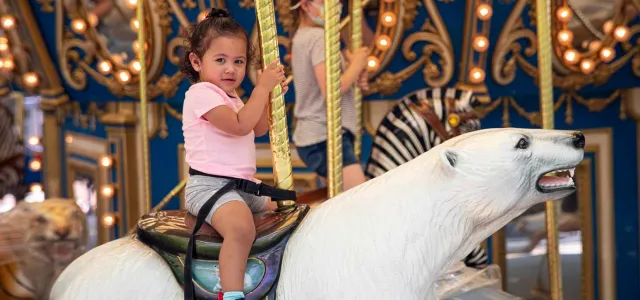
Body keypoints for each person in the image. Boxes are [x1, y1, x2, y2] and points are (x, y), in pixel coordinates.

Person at [180, 8, 291, 300]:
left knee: (286, 212)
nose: (231, 69)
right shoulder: (201, 94)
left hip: (241, 188)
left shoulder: (232, 96)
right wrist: (261, 87)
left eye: (238, 61)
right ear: (196, 61)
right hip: (209, 188)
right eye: (221, 61)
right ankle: (231, 295)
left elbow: (258, 129)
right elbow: (241, 127)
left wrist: (269, 96)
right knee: (241, 229)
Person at [289, 0, 370, 191]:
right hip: (323, 135)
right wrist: (357, 64)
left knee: (340, 201)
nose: (336, 6)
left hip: (316, 135)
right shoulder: (318, 38)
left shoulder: (303, 37)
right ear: (306, 5)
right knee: (361, 198)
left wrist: (353, 71)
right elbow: (331, 91)